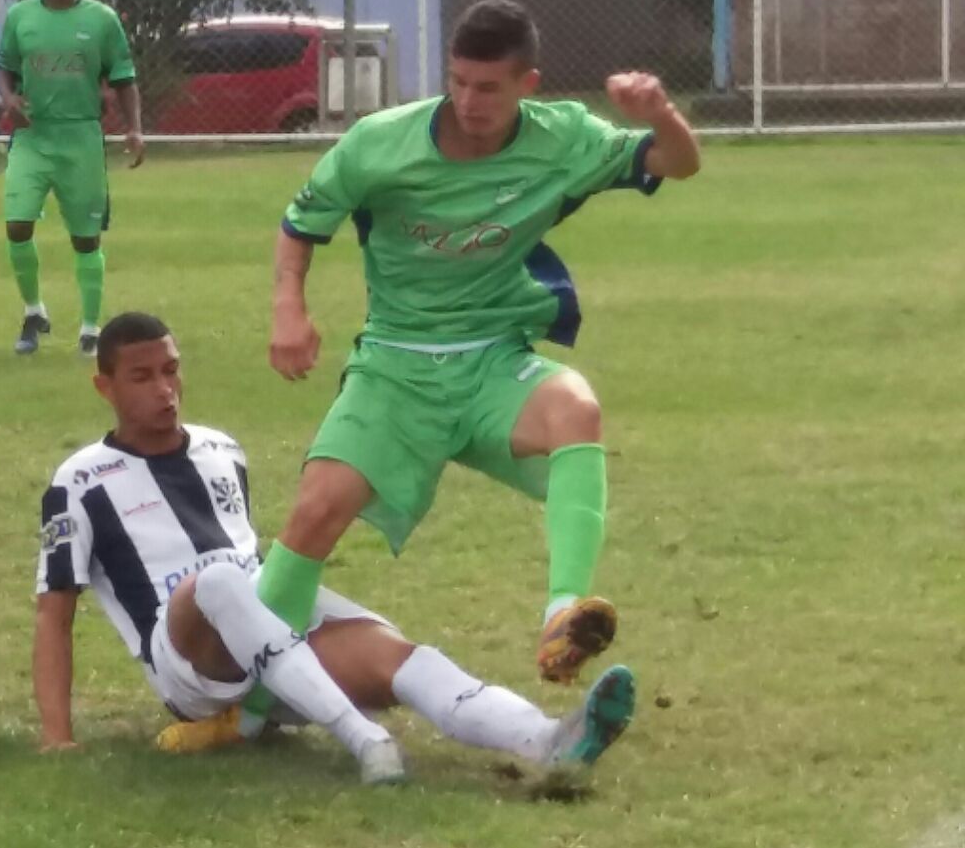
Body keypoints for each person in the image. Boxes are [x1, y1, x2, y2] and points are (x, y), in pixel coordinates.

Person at [212, 0, 702, 737]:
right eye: (458, 81)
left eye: (489, 87)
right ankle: (244, 708)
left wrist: (659, 111)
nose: (469, 101)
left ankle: (561, 615)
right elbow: (301, 224)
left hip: (491, 363)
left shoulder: (563, 137)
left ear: (527, 85)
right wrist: (290, 309)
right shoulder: (381, 143)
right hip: (395, 368)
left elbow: (677, 161)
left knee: (578, 409)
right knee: (313, 518)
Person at [31, 311, 637, 783]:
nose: (165, 389)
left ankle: (549, 740)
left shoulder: (221, 450)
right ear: (103, 386)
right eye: (142, 377)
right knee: (217, 582)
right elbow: (54, 614)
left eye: (171, 370)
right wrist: (57, 735)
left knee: (401, 659)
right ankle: (365, 741)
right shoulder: (79, 481)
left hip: (267, 623)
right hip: (189, 662)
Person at [0, 0, 145, 358]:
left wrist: (135, 129)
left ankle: (91, 329)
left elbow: (124, 78)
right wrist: (9, 99)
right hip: (32, 137)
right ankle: (33, 312)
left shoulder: (101, 19)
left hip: (80, 138)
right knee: (17, 224)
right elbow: (4, 68)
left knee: (86, 239)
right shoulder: (20, 16)